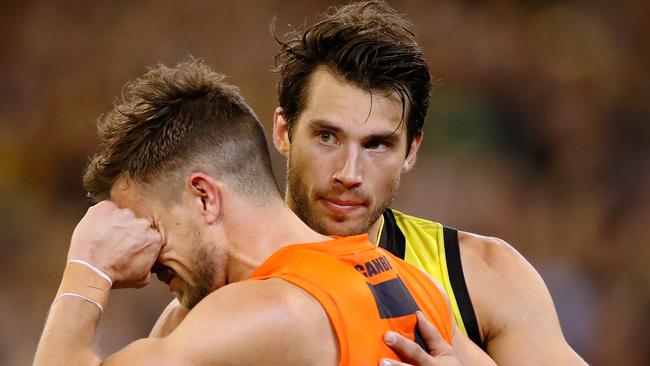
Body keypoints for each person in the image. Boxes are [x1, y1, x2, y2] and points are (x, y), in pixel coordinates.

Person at [33, 60, 494, 366]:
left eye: (148, 226)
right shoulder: (409, 282)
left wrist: (86, 270)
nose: (144, 254)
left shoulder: (269, 311)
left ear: (204, 198)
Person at [268, 1, 587, 365]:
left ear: (410, 152)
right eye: (327, 137)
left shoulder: (483, 277)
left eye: (377, 144)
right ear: (283, 131)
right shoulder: (221, 273)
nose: (349, 173)